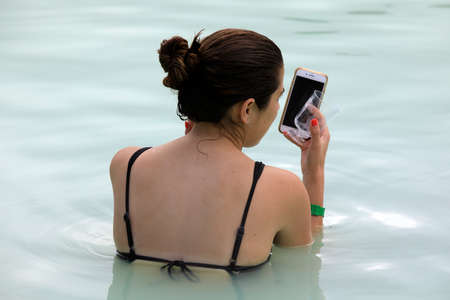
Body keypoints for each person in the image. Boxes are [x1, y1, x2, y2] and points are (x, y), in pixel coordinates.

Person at [109, 28, 330, 276]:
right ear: (247, 109)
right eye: (277, 97)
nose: (278, 108)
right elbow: (304, 268)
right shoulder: (281, 189)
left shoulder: (126, 165)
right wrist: (314, 172)